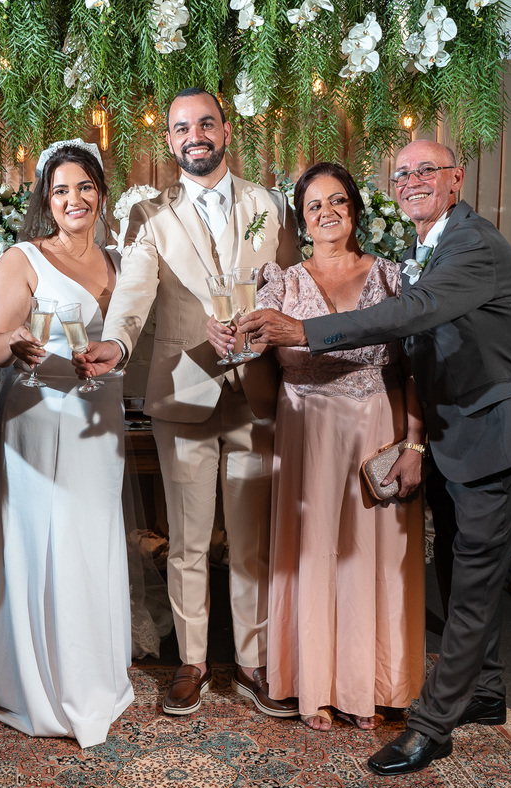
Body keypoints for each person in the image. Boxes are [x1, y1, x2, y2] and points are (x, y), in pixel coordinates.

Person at [238, 140, 511, 775]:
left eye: (426, 171)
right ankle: (485, 693)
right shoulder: (429, 246)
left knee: (468, 589)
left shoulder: (471, 245)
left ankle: (431, 728)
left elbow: (412, 315)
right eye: (402, 172)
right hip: (453, 434)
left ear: (456, 180)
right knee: (460, 573)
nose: (411, 181)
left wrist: (306, 331)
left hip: (494, 437)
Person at [74, 87, 301, 718]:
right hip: (186, 391)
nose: (194, 135)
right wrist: (116, 347)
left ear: (225, 131)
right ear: (169, 140)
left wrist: (266, 322)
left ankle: (252, 662)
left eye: (205, 123)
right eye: (181, 128)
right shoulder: (150, 214)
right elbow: (134, 296)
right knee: (189, 541)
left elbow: (291, 286)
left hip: (257, 394)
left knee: (253, 541)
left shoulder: (269, 205)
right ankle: (194, 660)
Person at [209, 162, 426, 733]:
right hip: (306, 435)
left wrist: (414, 445)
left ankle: (371, 684)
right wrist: (231, 344)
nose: (326, 213)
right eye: (313, 206)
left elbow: (412, 370)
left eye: (337, 201)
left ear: (354, 209)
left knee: (372, 558)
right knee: (314, 555)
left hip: (377, 428)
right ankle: (316, 684)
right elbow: (251, 364)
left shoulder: (392, 278)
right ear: (300, 220)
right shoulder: (279, 283)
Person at [0, 141, 134, 748]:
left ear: (100, 193)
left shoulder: (119, 261)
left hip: (100, 415)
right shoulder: (23, 259)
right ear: (47, 196)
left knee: (93, 540)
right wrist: (13, 340)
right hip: (40, 415)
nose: (74, 199)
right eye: (61, 189)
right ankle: (37, 687)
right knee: (49, 542)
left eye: (85, 187)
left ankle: (96, 675)